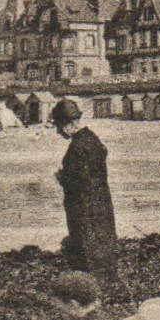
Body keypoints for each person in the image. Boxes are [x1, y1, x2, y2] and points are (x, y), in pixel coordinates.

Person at [54, 99, 118, 282]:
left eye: (59, 126)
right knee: (102, 238)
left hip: (83, 204)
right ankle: (107, 277)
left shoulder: (77, 146)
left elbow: (78, 179)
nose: (59, 131)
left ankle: (90, 280)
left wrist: (62, 177)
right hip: (101, 199)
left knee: (84, 240)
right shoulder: (92, 138)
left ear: (69, 124)